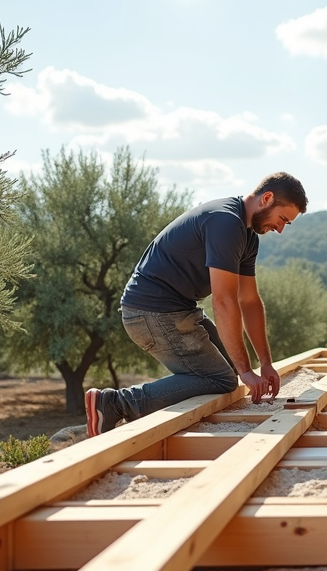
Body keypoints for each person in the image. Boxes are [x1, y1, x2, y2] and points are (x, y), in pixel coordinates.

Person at [84, 172, 308, 437]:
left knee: (230, 370)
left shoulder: (248, 238)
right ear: (266, 198)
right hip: (150, 312)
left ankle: (120, 404)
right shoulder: (225, 222)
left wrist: (266, 363)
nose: (280, 229)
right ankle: (115, 403)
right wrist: (246, 370)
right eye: (282, 219)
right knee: (222, 379)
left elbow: (248, 301)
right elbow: (223, 301)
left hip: (179, 311)